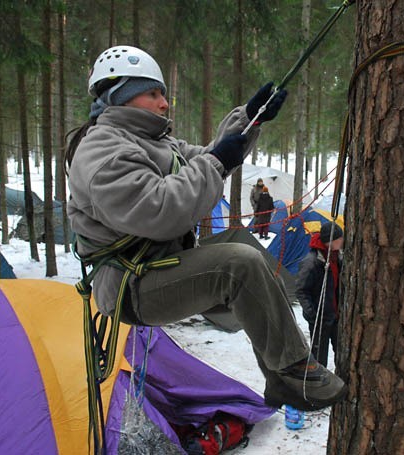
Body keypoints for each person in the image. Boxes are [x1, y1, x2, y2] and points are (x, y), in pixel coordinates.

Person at [65, 45, 346, 412]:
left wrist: (248, 121)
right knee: (239, 264)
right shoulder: (101, 150)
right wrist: (216, 160)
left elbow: (207, 158)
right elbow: (159, 209)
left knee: (258, 265)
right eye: (153, 93)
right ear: (120, 95)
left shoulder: (153, 142)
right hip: (131, 285)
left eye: (162, 93)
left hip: (159, 266)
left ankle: (281, 378)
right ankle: (294, 374)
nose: (164, 103)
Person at [295, 221, 343, 368]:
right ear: (331, 241)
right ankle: (318, 387)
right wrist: (312, 314)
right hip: (320, 319)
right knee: (319, 359)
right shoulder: (312, 262)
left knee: (341, 354)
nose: (342, 240)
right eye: (339, 238)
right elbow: (301, 290)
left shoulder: (338, 257)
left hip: (337, 317)